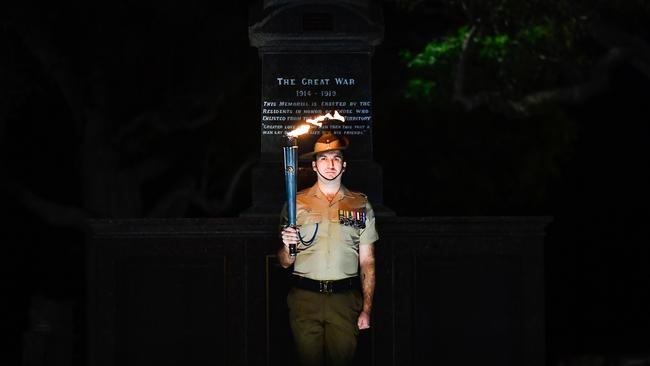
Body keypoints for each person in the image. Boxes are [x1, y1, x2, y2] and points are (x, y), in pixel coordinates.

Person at [278, 133, 378, 366]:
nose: (330, 164)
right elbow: (285, 261)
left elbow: (368, 261)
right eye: (323, 159)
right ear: (314, 165)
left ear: (344, 164)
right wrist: (287, 246)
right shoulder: (296, 203)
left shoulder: (360, 204)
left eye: (336, 158)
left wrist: (366, 308)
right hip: (305, 299)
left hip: (345, 300)